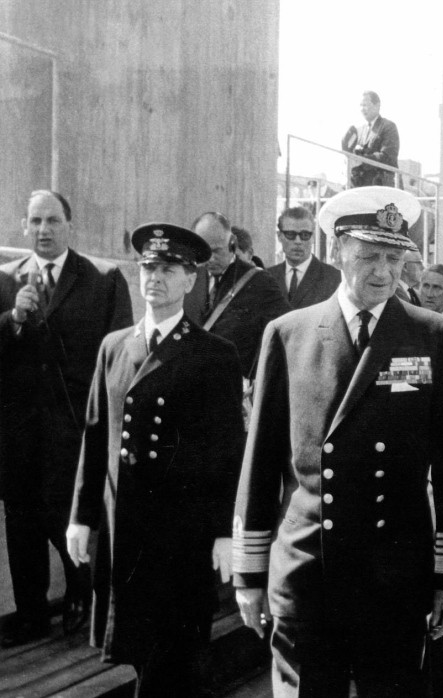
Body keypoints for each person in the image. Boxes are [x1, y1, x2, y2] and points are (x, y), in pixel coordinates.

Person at [232, 186, 443, 696]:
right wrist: (248, 573)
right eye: (368, 256)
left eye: (393, 257)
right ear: (337, 251)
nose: (383, 271)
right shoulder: (288, 333)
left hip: (395, 572)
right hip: (308, 569)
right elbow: (261, 459)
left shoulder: (434, 336)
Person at [67, 223, 244, 695]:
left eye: (169, 269)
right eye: (149, 267)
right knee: (139, 653)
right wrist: (81, 518)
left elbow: (228, 452)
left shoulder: (213, 355)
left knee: (175, 661)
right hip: (123, 530)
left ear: (191, 280)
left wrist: (226, 532)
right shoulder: (115, 346)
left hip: (180, 538)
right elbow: (95, 433)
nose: (155, 278)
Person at [0, 190, 133, 646]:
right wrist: (12, 320)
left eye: (53, 220)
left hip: (75, 431)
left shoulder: (102, 278)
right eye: (35, 221)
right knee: (21, 527)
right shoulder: (5, 280)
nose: (44, 230)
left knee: (71, 523)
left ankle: (87, 598)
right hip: (18, 435)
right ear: (23, 226)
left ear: (69, 226)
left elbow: (120, 361)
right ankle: (32, 614)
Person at [185, 211, 291, 378]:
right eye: (205, 251)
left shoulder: (259, 282)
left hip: (233, 388)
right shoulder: (189, 277)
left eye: (217, 251)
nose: (211, 258)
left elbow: (287, 332)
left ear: (232, 244)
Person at [268, 205, 342, 309]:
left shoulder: (335, 278)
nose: (298, 241)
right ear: (279, 236)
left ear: (313, 238)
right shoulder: (267, 277)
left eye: (305, 235)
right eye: (290, 234)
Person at [342, 90, 400, 187]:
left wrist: (360, 160)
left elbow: (388, 157)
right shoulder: (359, 131)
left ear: (377, 106)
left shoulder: (388, 127)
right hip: (362, 185)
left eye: (365, 105)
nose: (362, 109)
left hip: (383, 185)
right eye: (360, 105)